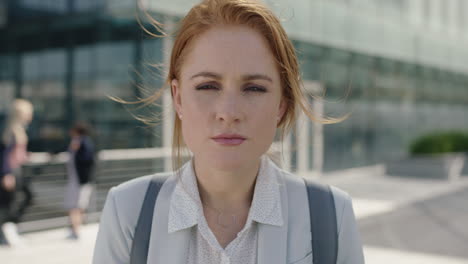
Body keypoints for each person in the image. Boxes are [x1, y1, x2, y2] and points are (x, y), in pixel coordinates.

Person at [93, 0, 365, 263]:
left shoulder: (330, 216)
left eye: (254, 88)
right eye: (207, 86)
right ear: (178, 98)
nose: (229, 112)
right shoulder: (129, 211)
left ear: (281, 103)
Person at [0, 99, 34, 247]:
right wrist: (6, 174)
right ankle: (8, 230)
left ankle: (10, 228)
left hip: (17, 170)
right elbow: (5, 154)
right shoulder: (11, 130)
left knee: (22, 198)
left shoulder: (19, 129)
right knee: (9, 203)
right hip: (11, 172)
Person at [64, 122, 95, 240]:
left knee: (76, 205)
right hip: (78, 180)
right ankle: (75, 229)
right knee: (77, 205)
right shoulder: (79, 141)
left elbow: (88, 159)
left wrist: (75, 149)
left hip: (80, 181)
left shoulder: (84, 142)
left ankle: (75, 230)